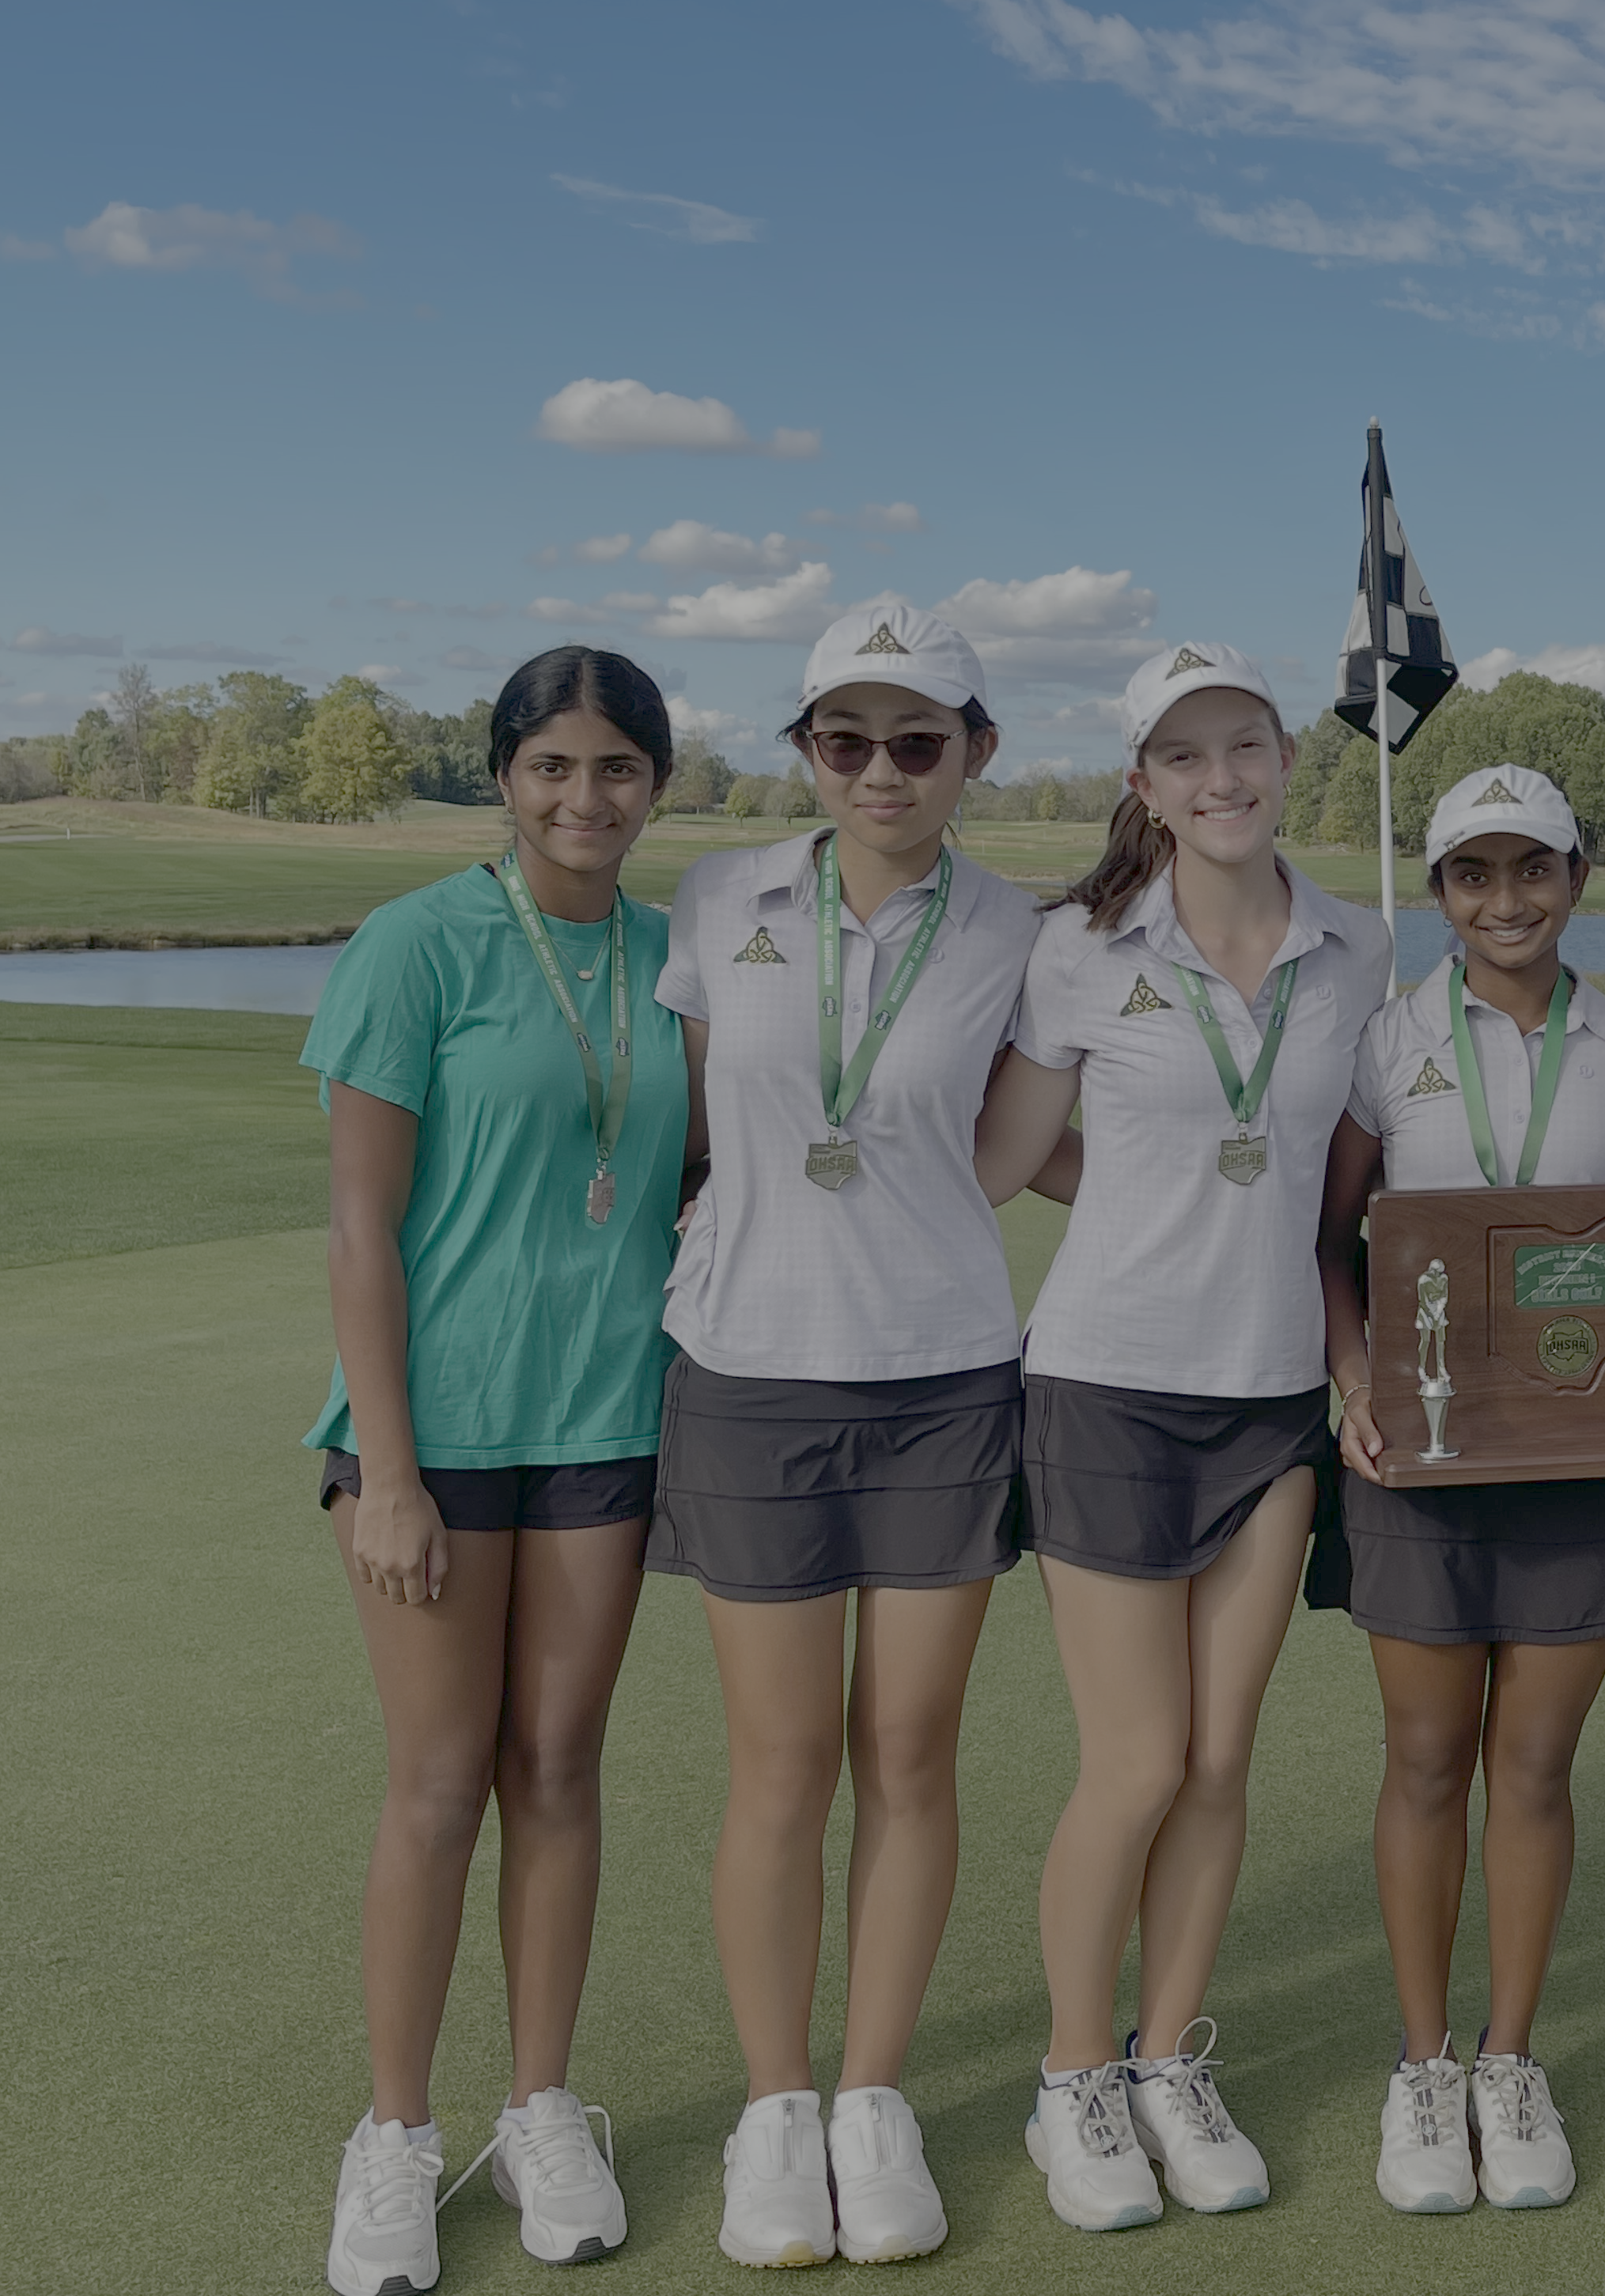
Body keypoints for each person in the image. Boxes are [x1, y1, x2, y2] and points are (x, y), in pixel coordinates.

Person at [974, 641, 1391, 2232]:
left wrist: (1352, 1354)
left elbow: (1340, 1198)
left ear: (1284, 758)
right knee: (1139, 1758)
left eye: (1247, 746)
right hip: (1105, 1391)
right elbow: (1009, 1155)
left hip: (1271, 1403)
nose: (1224, 779)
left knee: (1220, 1761)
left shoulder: (1356, 950)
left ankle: (1164, 2060)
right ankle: (1074, 2075)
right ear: (1144, 785)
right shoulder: (1079, 950)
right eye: (1187, 755)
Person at [651, 603, 1039, 2271]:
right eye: (846, 739)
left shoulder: (1023, 929)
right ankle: (777, 2106)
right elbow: (685, 1124)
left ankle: (873, 2099)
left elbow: (1026, 1142)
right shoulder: (720, 897)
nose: (882, 771)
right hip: (749, 1372)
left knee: (909, 1754)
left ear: (975, 752)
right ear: (805, 749)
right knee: (782, 1764)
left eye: (918, 740)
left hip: (943, 1376)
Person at [305, 647, 690, 2296]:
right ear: (505, 778)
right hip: (437, 1436)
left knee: (558, 1770)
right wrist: (385, 1472)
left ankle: (542, 2108)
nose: (585, 798)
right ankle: (396, 2135)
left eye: (617, 768)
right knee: (440, 1783)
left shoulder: (678, 960)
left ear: (656, 784)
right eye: (553, 766)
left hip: (606, 1421)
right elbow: (359, 1226)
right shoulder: (417, 944)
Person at [1315, 762, 1605, 2217]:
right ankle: (1423, 2065)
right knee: (1427, 1758)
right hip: (1418, 1452)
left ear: (1577, 878)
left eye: (1533, 868)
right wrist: (1351, 1378)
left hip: (1578, 1453)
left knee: (1533, 1767)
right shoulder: (1387, 1043)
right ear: (1439, 895)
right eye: (1474, 875)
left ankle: (1509, 2058)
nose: (1506, 900)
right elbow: (1334, 1240)